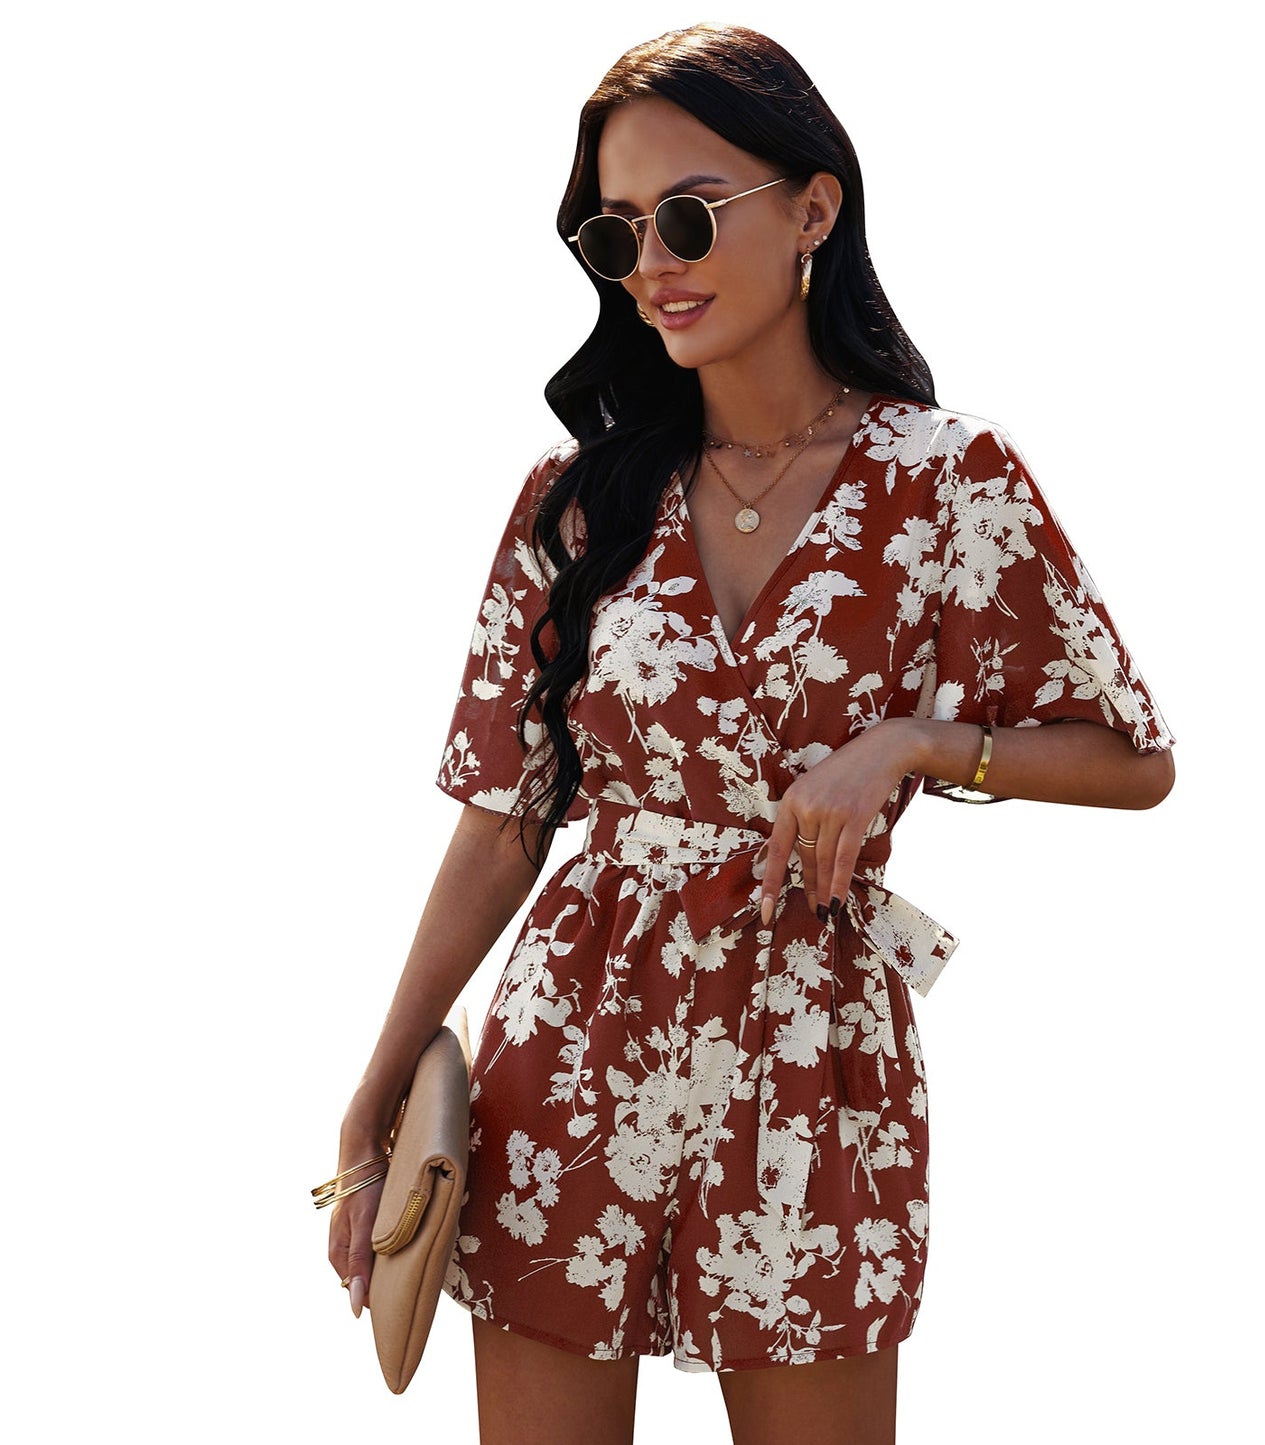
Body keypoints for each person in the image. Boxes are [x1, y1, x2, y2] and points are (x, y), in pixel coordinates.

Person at [324, 21, 1175, 1444]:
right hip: (572, 1045)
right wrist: (377, 1085)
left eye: (689, 214)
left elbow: (1133, 758)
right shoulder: (572, 502)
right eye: (617, 234)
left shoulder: (945, 481)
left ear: (815, 210)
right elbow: (503, 820)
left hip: (813, 1051)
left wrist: (910, 744)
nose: (653, 263)